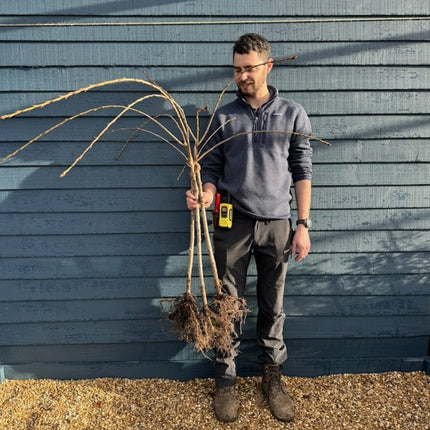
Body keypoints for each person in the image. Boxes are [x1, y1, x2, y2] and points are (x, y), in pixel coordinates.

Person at [186, 33, 312, 423]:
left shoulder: (292, 113)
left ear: (267, 66)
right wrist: (206, 194)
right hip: (231, 222)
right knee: (228, 304)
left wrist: (302, 224)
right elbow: (211, 168)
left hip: (277, 223)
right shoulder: (224, 116)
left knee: (273, 306)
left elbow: (302, 170)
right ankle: (225, 380)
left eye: (249, 68)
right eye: (237, 69)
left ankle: (271, 378)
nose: (242, 76)